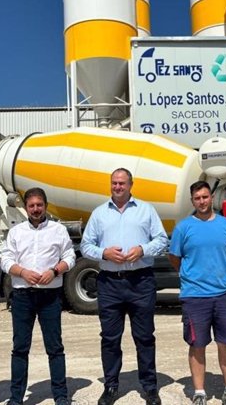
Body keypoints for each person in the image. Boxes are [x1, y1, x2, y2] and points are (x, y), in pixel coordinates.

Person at [80, 168, 169, 405]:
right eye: (114, 183)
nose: (117, 187)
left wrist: (143, 249)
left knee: (144, 336)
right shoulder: (99, 213)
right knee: (110, 338)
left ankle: (150, 387)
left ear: (131, 185)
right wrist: (104, 253)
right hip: (109, 283)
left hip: (141, 281)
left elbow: (161, 239)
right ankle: (111, 386)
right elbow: (86, 246)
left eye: (122, 183)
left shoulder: (146, 210)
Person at [168, 181, 226, 405]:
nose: (202, 201)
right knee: (197, 344)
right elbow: (175, 257)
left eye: (205, 197)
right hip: (194, 295)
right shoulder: (183, 228)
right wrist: (189, 275)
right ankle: (199, 393)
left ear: (212, 197)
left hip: (223, 293)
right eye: (197, 198)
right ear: (193, 201)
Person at [1, 187, 76, 405]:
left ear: (45, 205)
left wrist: (54, 271)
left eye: (39, 205)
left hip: (50, 297)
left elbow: (70, 256)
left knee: (55, 348)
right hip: (23, 296)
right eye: (31, 205)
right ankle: (16, 398)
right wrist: (22, 272)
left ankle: (61, 396)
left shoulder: (58, 230)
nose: (35, 209)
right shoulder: (16, 232)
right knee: (20, 349)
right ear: (26, 207)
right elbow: (5, 260)